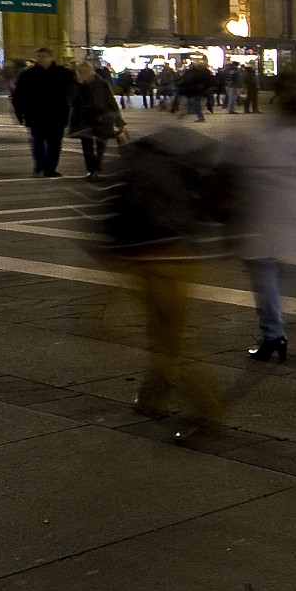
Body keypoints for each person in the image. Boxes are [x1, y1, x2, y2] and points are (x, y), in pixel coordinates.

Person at [104, 123, 231, 436]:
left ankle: (206, 406)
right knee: (169, 331)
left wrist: (111, 251)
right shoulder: (188, 163)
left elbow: (114, 210)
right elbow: (215, 205)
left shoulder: (133, 160)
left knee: (164, 334)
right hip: (180, 254)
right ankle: (155, 397)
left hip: (144, 255)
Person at [225, 73, 296, 362]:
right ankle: (274, 325)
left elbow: (239, 168)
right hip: (292, 210)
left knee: (262, 268)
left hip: (262, 209)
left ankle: (274, 334)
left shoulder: (263, 132)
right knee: (270, 265)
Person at [11, 48, 76, 177]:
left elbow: (74, 90)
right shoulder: (27, 75)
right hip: (35, 115)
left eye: (44, 56)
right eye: (39, 56)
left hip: (57, 115)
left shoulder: (63, 73)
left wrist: (70, 107)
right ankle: (40, 164)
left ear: (51, 57)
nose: (41, 59)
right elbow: (18, 96)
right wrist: (20, 113)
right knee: (38, 142)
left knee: (54, 144)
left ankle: (50, 168)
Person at [69, 59, 123, 180]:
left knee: (101, 143)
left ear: (91, 72)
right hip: (84, 118)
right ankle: (91, 168)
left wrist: (119, 120)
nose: (84, 76)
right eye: (81, 73)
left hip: (102, 117)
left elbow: (111, 102)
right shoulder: (76, 85)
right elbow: (70, 100)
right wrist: (77, 85)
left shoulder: (102, 84)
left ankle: (97, 166)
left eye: (85, 73)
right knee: (86, 144)